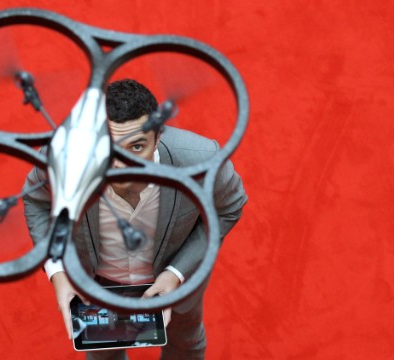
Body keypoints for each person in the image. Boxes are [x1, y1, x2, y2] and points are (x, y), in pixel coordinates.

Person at [22, 79, 247, 359]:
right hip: (97, 283)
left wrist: (175, 275)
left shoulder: (203, 160)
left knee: (185, 345)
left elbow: (229, 207)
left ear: (158, 135)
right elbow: (36, 201)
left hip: (175, 285)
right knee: (104, 355)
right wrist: (58, 272)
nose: (119, 165)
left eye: (136, 146)